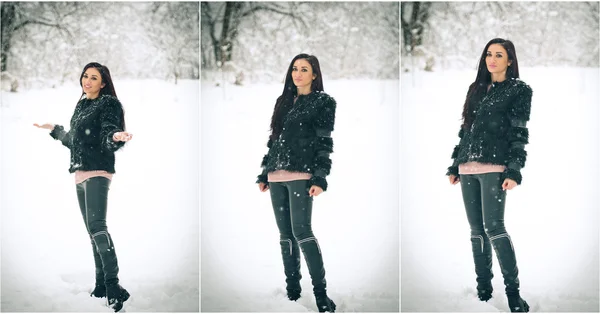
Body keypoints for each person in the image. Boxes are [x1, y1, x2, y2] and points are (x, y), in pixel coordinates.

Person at [34, 62, 133, 312]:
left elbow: (107, 133)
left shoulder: (108, 104)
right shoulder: (82, 105)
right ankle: (100, 284)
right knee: (92, 231)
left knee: (98, 228)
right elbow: (76, 141)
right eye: (85, 76)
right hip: (80, 172)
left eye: (94, 78)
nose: (87, 81)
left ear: (103, 83)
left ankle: (113, 285)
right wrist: (56, 131)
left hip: (98, 171)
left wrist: (114, 137)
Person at [446, 38, 532, 312]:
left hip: (495, 168)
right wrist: (454, 164)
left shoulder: (519, 90)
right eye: (488, 54)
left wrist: (515, 170)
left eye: (499, 55)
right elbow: (466, 129)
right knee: (476, 231)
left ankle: (512, 293)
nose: (492, 59)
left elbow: (519, 133)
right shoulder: (476, 88)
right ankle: (483, 291)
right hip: (467, 168)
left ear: (510, 60)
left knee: (495, 228)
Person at [256, 53, 337, 313]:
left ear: (315, 74)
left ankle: (321, 295)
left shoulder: (323, 102)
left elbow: (324, 143)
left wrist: (320, 177)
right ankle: (292, 293)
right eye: (294, 69)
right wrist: (264, 172)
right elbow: (274, 139)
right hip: (276, 176)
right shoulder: (283, 101)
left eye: (304, 69)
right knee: (285, 236)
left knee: (302, 232)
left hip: (301, 175)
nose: (298, 73)